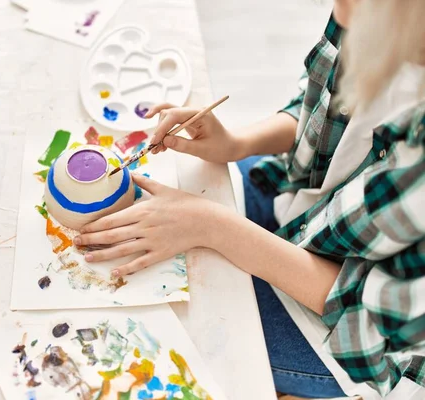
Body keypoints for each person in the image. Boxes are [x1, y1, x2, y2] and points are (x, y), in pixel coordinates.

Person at [74, 0, 425, 398]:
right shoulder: (370, 14)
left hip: (347, 339)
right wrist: (236, 143)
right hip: (303, 204)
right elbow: (319, 108)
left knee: (174, 328)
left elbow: (366, 318)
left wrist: (211, 225)